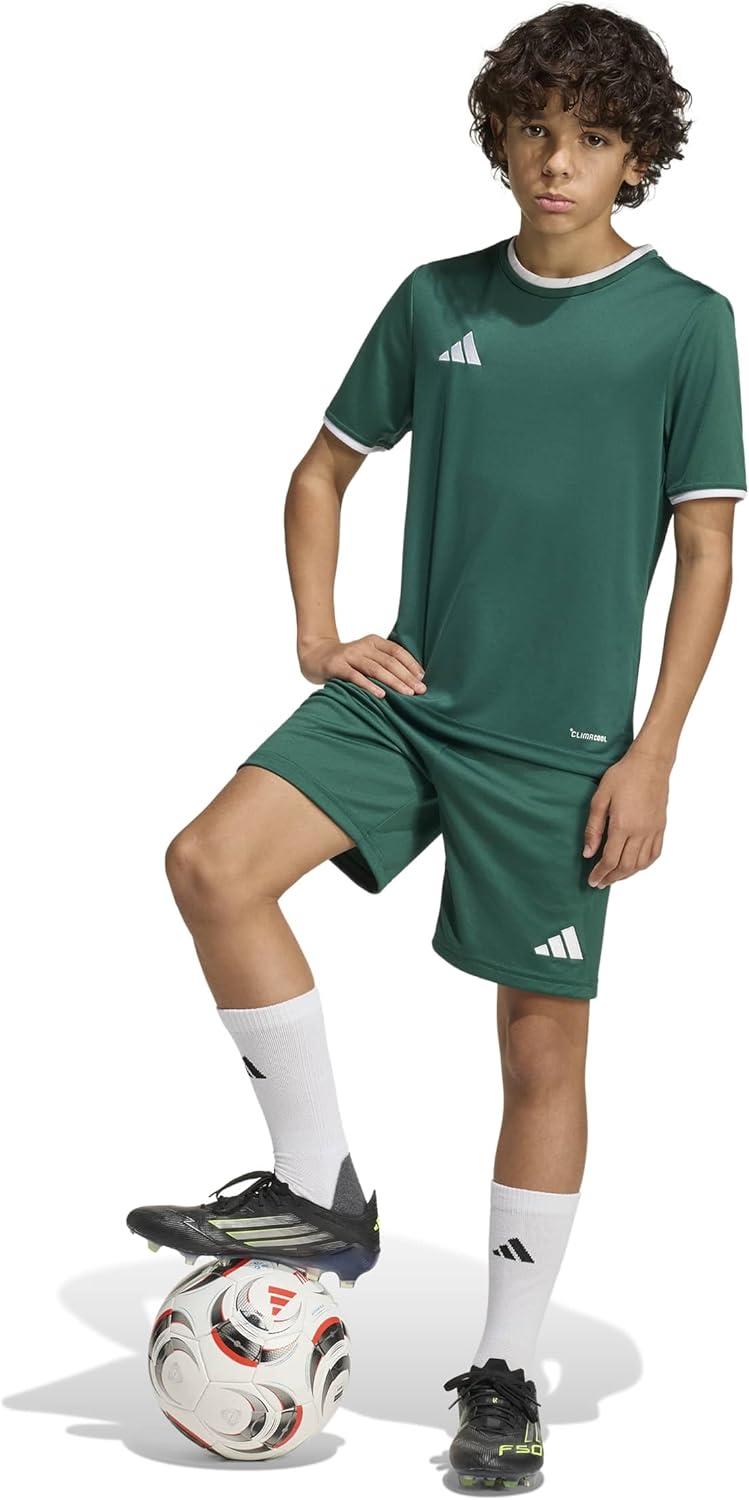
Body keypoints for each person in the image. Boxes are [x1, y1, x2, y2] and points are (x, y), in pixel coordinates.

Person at [127, 3, 745, 1487]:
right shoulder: (434, 300)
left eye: (592, 138)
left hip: (564, 746)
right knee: (211, 864)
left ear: (637, 156)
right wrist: (317, 636)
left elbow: (708, 554)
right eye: (534, 130)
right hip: (408, 701)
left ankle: (504, 1371)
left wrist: (653, 754)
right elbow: (319, 473)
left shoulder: (687, 324)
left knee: (539, 1046)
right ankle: (320, 1190)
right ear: (500, 140)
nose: (557, 162)